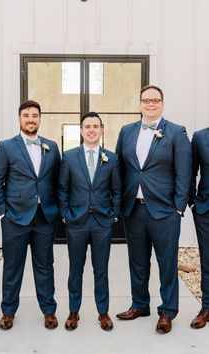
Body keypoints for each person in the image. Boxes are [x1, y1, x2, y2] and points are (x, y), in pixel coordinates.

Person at [115, 85, 192, 333]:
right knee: (137, 261)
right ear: (139, 103)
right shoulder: (126, 132)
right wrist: (118, 203)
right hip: (133, 210)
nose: (150, 104)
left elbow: (184, 173)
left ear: (162, 103)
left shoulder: (176, 132)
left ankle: (168, 311)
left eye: (155, 100)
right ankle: (140, 304)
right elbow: (119, 170)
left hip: (165, 211)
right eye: (146, 100)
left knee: (166, 263)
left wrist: (178, 208)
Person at [0, 100, 60, 330]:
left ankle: (49, 310)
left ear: (40, 118)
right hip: (15, 218)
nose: (31, 119)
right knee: (12, 266)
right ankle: (8, 311)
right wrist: (2, 214)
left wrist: (56, 209)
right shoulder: (6, 147)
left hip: (44, 217)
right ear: (19, 118)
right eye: (26, 115)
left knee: (45, 266)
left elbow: (57, 181)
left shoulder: (51, 146)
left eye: (35, 115)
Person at [58, 112, 121, 331]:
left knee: (101, 269)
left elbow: (117, 190)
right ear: (82, 130)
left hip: (102, 222)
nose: (91, 130)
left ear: (102, 130)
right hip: (76, 221)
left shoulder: (111, 158)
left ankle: (103, 312)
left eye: (96, 126)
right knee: (76, 268)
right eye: (87, 126)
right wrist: (66, 214)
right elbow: (63, 189)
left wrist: (113, 214)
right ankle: (73, 311)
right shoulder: (69, 156)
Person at [189, 128, 209, 329]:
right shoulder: (200, 137)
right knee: (207, 259)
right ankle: (206, 307)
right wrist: (192, 201)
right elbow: (190, 171)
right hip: (205, 209)